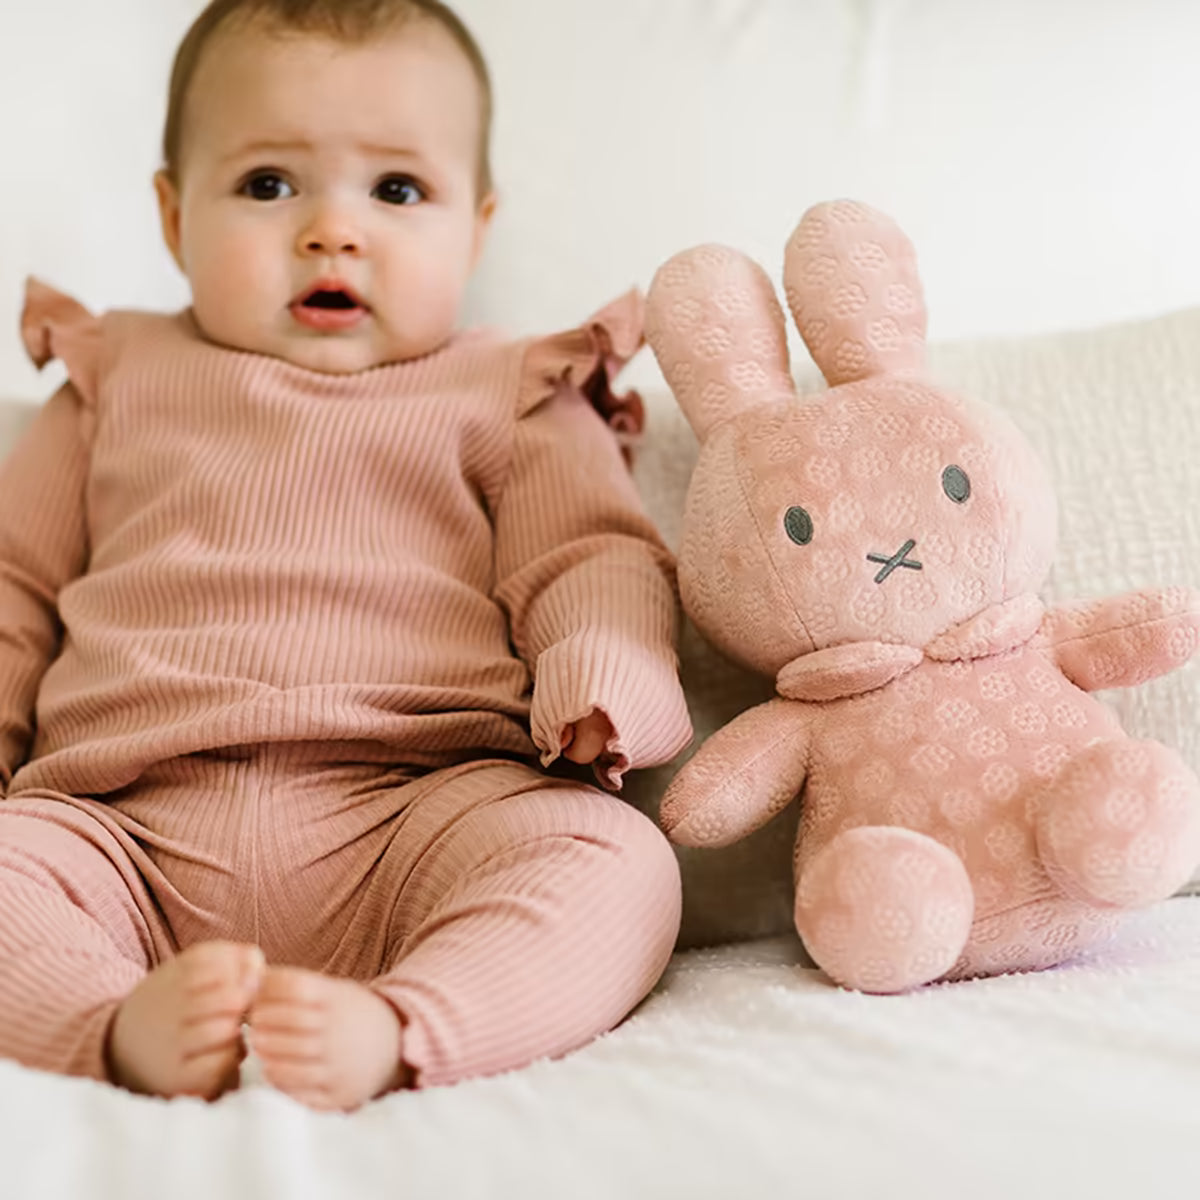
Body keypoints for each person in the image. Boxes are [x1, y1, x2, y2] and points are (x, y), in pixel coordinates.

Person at [0, 0, 691, 1112]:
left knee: (617, 863)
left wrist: (607, 674)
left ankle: (406, 1024)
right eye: (268, 184)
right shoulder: (112, 378)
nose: (333, 229)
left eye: (397, 190)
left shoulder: (513, 391)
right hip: (124, 829)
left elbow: (591, 559)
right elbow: (13, 589)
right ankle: (109, 1026)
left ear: (477, 227)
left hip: (417, 812)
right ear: (174, 218)